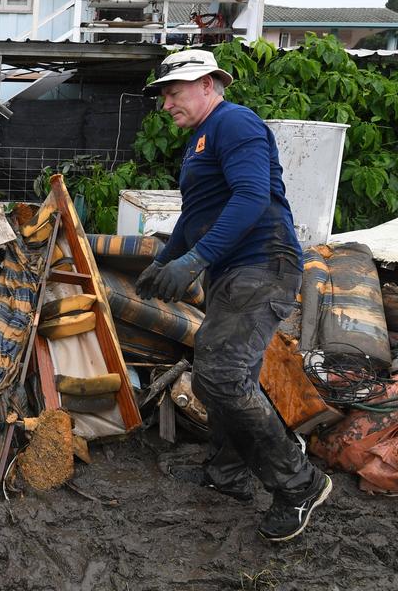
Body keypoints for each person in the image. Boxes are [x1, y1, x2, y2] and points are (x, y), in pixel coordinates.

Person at [135, 49, 331, 542]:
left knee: (221, 375)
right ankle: (227, 476)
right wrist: (166, 260)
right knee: (219, 374)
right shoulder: (203, 139)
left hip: (263, 263)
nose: (165, 105)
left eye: (173, 92)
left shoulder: (234, 123)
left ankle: (299, 482)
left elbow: (250, 198)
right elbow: (195, 213)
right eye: (163, 95)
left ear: (207, 85)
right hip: (235, 271)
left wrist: (196, 260)